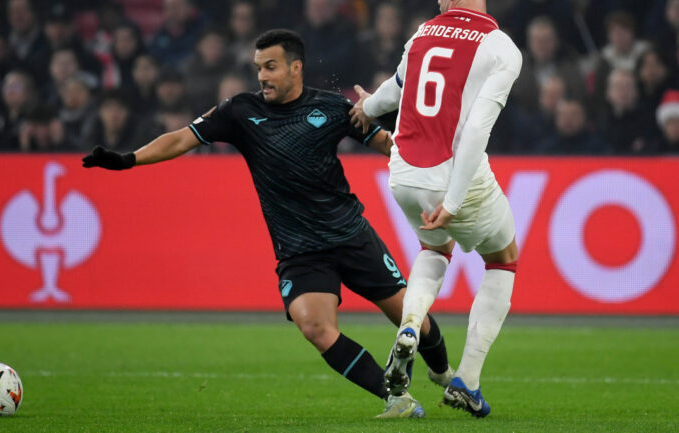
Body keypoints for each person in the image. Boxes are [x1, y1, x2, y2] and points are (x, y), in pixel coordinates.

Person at [83, 29, 453, 419]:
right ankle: (395, 397)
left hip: (350, 236)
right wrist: (129, 160)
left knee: (412, 318)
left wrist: (433, 182)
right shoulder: (239, 112)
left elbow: (388, 146)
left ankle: (446, 375)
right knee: (314, 327)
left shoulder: (331, 108)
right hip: (299, 251)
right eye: (258, 67)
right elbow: (181, 139)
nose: (262, 75)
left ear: (296, 67)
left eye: (271, 67)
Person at [350, 0, 522, 418]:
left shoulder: (423, 33)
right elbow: (475, 131)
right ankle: (467, 380)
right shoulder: (502, 48)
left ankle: (410, 326)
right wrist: (453, 197)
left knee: (433, 251)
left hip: (404, 174)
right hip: (451, 174)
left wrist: (366, 108)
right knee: (503, 260)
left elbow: (394, 90)